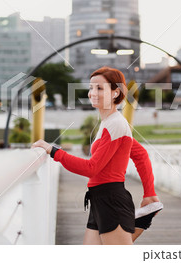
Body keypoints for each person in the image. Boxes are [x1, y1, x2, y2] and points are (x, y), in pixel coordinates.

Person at [32, 66, 162, 245]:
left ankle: (142, 220)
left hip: (111, 202)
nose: (92, 92)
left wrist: (53, 151)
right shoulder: (108, 123)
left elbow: (91, 168)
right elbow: (140, 154)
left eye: (100, 88)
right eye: (91, 87)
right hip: (100, 200)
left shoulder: (116, 124)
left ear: (116, 93)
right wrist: (149, 192)